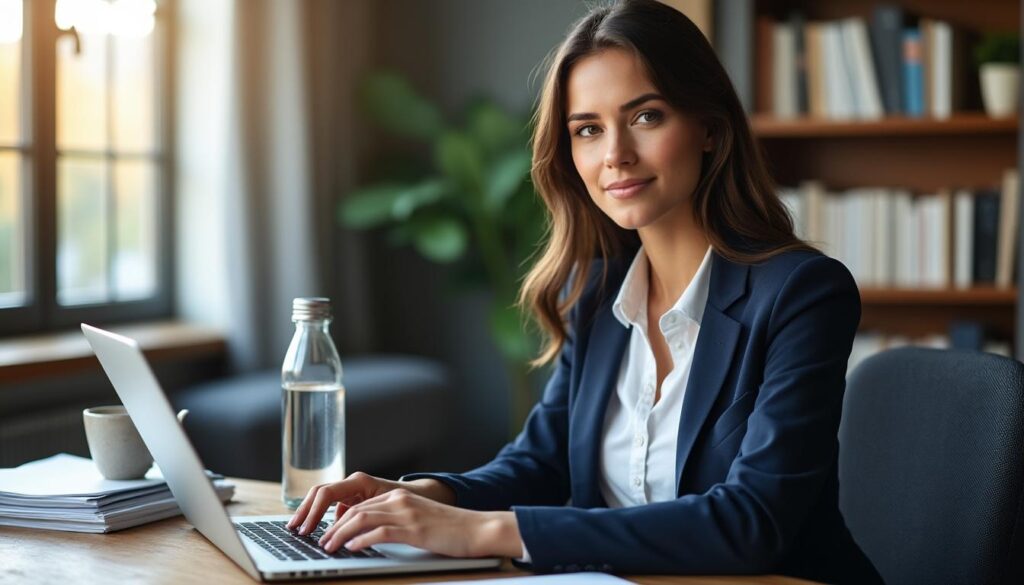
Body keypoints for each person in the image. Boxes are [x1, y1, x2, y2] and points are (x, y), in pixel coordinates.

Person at [288, 0, 881, 582]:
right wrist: (416, 495)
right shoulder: (595, 293)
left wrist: (486, 531)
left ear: (708, 127)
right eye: (588, 130)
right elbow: (540, 463)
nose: (615, 155)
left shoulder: (801, 294)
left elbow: (753, 521)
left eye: (646, 116)